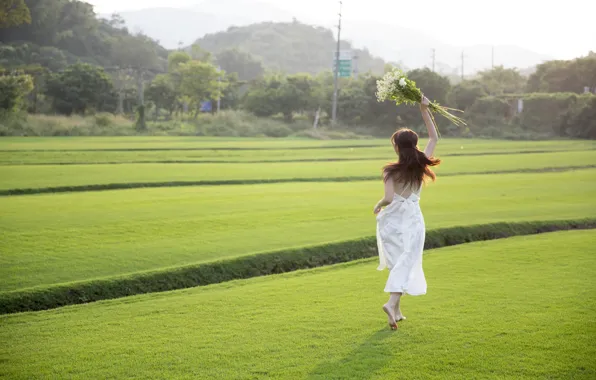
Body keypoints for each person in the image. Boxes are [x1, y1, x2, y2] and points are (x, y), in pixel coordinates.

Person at [373, 96, 440, 330]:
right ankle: (392, 304)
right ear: (415, 144)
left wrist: (378, 204)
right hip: (411, 218)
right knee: (407, 260)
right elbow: (434, 137)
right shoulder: (420, 164)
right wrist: (424, 110)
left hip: (392, 219)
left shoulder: (390, 171)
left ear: (396, 147)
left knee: (398, 261)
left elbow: (389, 198)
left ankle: (398, 310)